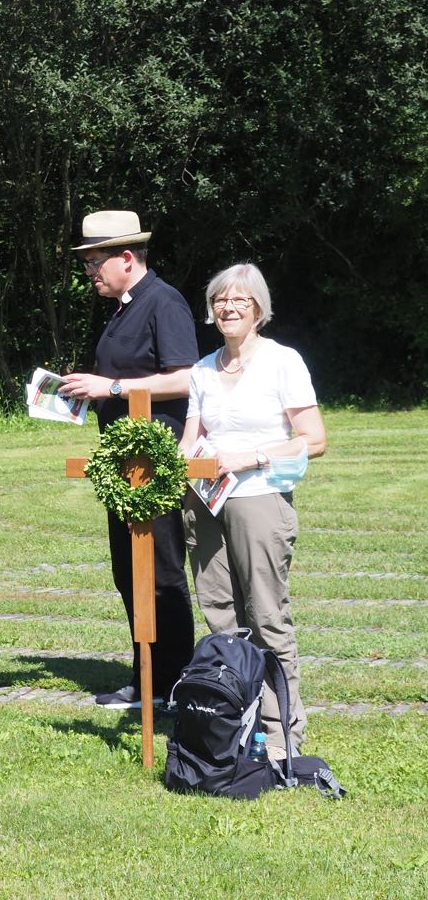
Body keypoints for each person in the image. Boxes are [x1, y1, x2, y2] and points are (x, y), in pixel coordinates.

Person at [178, 263, 325, 760]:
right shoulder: (202, 369)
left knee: (265, 615)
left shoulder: (283, 362)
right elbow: (191, 440)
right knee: (221, 615)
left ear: (258, 308)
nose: (229, 307)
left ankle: (283, 734)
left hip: (259, 497)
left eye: (240, 300)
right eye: (221, 300)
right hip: (205, 501)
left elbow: (313, 439)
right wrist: (171, 464)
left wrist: (252, 456)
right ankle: (235, 722)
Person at [59, 210, 199, 709]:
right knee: (129, 571)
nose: (89, 273)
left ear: (125, 257)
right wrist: (85, 393)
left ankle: (173, 683)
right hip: (124, 464)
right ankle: (148, 678)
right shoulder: (123, 308)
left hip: (154, 463)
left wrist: (112, 387)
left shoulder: (164, 302)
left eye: (94, 262)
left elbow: (187, 377)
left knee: (159, 571)